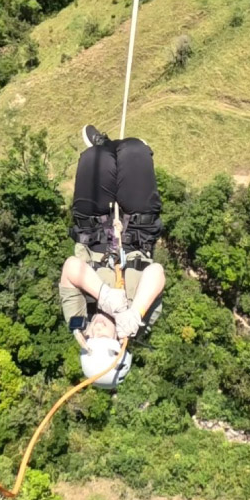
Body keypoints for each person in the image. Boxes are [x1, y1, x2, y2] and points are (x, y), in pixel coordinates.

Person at [58, 124, 166, 388]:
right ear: (119, 341)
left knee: (94, 158)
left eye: (90, 336)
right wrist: (134, 312)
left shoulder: (78, 319)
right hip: (137, 230)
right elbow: (156, 273)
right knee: (135, 151)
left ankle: (104, 145)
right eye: (101, 335)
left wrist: (103, 295)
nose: (94, 328)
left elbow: (72, 267)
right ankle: (118, 148)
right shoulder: (140, 322)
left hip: (93, 229)